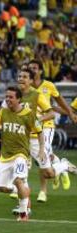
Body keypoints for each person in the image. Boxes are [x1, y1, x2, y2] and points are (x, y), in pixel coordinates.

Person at [0, 86, 45, 221]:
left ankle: (23, 212)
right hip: (6, 156)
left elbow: (40, 131)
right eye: (6, 97)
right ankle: (22, 191)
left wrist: (42, 149)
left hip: (21, 154)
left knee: (18, 180)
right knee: (0, 187)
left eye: (11, 97)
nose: (8, 99)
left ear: (19, 99)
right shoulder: (3, 112)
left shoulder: (29, 114)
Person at [29, 59, 77, 202]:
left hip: (47, 125)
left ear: (41, 71)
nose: (32, 70)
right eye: (30, 67)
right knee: (41, 158)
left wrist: (70, 113)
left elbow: (60, 101)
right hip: (31, 127)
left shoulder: (48, 86)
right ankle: (60, 168)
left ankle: (43, 191)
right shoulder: (26, 87)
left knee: (42, 155)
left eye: (35, 68)